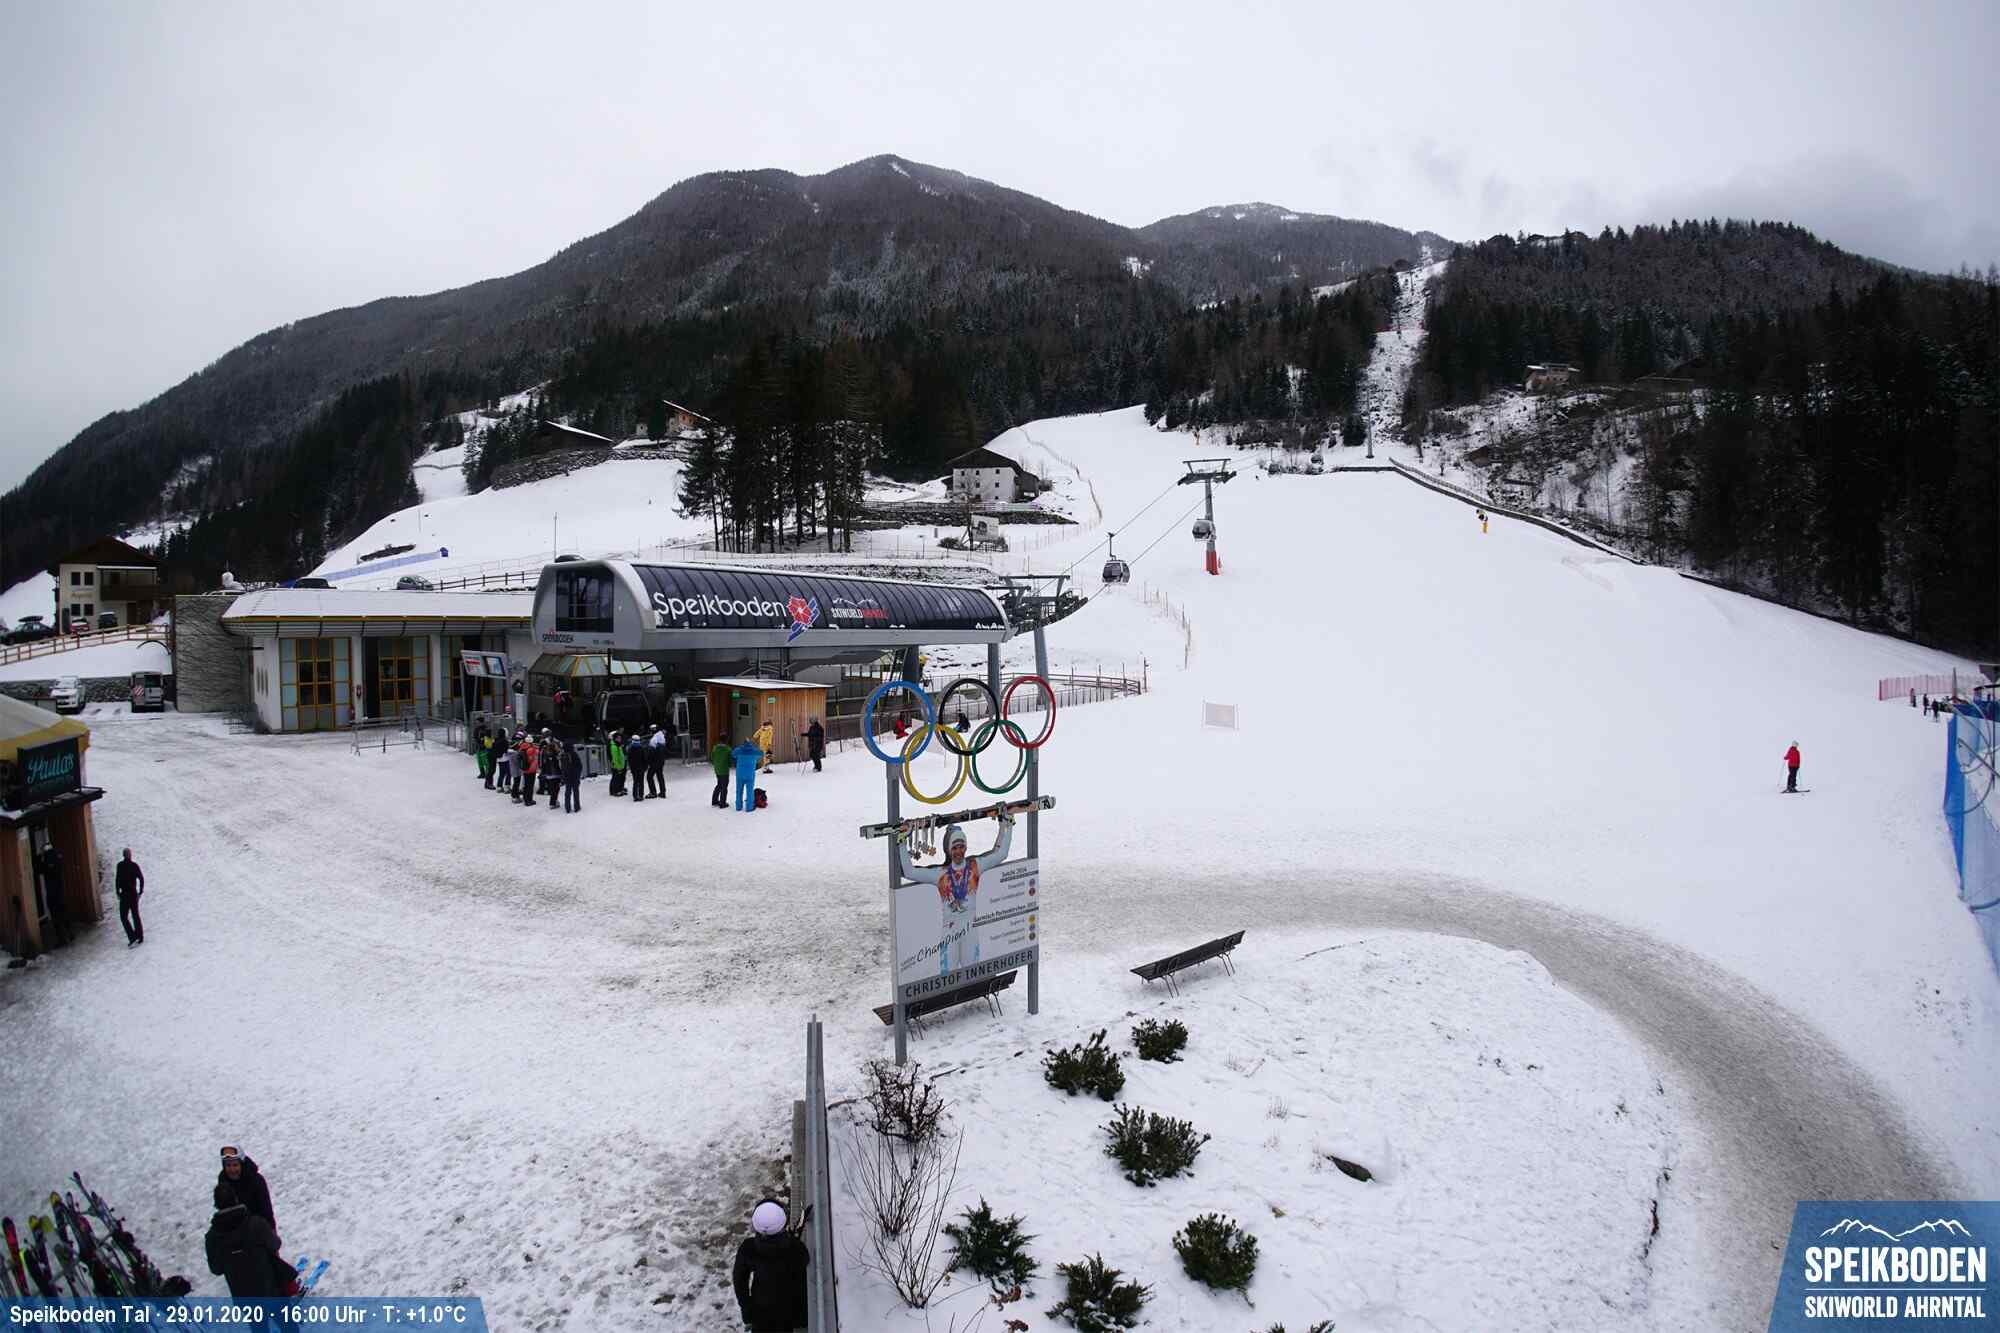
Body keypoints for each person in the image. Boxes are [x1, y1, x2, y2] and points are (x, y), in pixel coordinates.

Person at [897, 815, 1013, 975]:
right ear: (949, 850)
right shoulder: (940, 873)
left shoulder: (976, 866)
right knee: (948, 975)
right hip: (949, 930)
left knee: (971, 973)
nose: (958, 851)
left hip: (970, 927)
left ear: (965, 847)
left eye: (961, 846)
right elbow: (909, 872)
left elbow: (1001, 854)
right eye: (954, 847)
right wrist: (902, 841)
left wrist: (1007, 825)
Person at [732, 1200, 808, 1333]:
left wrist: (746, 1307)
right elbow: (804, 1265)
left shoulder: (748, 1249)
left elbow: (739, 1279)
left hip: (760, 1311)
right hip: (789, 1311)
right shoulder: (796, 1249)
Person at [205, 1183, 289, 1301]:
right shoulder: (256, 1224)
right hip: (269, 1290)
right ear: (236, 1199)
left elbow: (216, 1268)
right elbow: (275, 1244)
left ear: (216, 1205)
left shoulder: (212, 1237)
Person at [217, 1146, 276, 1231]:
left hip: (257, 1230)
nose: (232, 1170)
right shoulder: (223, 1181)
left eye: (235, 1165)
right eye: (228, 1165)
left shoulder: (256, 1181)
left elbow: (267, 1212)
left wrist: (271, 1233)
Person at [114, 848, 145, 946]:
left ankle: (132, 937)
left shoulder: (120, 865)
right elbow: (141, 878)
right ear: (130, 855)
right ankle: (139, 936)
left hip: (124, 895)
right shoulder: (134, 865)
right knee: (135, 915)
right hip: (133, 894)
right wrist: (140, 891)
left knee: (123, 917)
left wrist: (117, 891)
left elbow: (117, 879)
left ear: (123, 855)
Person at [733, 738, 765, 812]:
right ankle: (749, 807)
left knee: (739, 791)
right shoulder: (754, 751)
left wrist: (740, 748)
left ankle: (738, 807)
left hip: (740, 774)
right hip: (750, 775)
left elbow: (733, 754)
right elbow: (762, 753)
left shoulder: (739, 750)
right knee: (750, 791)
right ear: (750, 744)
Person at [561, 741, 583, 814]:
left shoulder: (563, 755)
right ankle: (577, 807)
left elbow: (562, 767)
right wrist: (578, 775)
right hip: (574, 776)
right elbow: (579, 765)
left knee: (567, 792)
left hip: (567, 776)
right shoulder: (574, 754)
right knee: (575, 791)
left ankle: (567, 808)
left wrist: (563, 776)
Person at [710, 739, 733, 809]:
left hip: (717, 770)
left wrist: (717, 764)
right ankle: (722, 803)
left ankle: (714, 801)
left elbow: (712, 758)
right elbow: (730, 761)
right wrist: (729, 765)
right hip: (724, 770)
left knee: (719, 784)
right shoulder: (728, 749)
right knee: (724, 787)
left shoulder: (715, 749)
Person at [647, 727, 669, 798]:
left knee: (649, 777)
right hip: (661, 761)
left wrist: (648, 761)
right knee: (660, 776)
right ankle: (663, 792)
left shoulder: (654, 739)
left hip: (654, 762)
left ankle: (653, 792)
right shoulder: (662, 738)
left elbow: (651, 752)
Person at [607, 731, 627, 798]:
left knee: (619, 778)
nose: (620, 739)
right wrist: (618, 767)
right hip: (616, 766)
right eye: (618, 738)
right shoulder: (614, 746)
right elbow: (615, 758)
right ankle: (614, 791)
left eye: (620, 738)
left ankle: (619, 789)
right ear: (615, 738)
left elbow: (621, 755)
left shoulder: (618, 745)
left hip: (620, 764)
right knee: (615, 778)